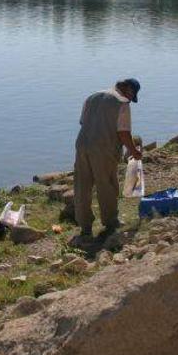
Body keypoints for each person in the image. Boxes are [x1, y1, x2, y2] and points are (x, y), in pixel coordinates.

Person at [73, 79, 143, 241]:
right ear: (126, 88)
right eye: (132, 95)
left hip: (82, 144)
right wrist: (133, 151)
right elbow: (123, 133)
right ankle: (110, 222)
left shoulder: (92, 97)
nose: (131, 99)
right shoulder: (122, 103)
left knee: (82, 185)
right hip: (104, 147)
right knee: (107, 184)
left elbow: (83, 122)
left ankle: (85, 228)